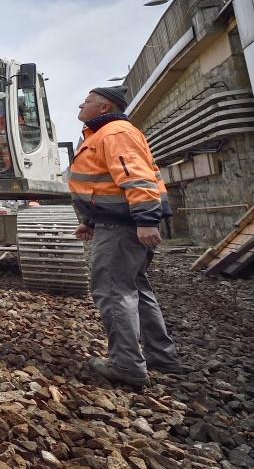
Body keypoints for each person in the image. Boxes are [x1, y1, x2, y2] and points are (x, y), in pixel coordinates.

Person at [69, 84, 183, 386]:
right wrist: (91, 221)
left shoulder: (115, 133)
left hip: (123, 229)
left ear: (104, 107)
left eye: (88, 101)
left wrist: (146, 220)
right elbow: (106, 185)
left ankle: (127, 365)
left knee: (112, 291)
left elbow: (135, 177)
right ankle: (162, 357)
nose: (82, 105)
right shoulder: (105, 134)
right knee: (135, 290)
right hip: (121, 224)